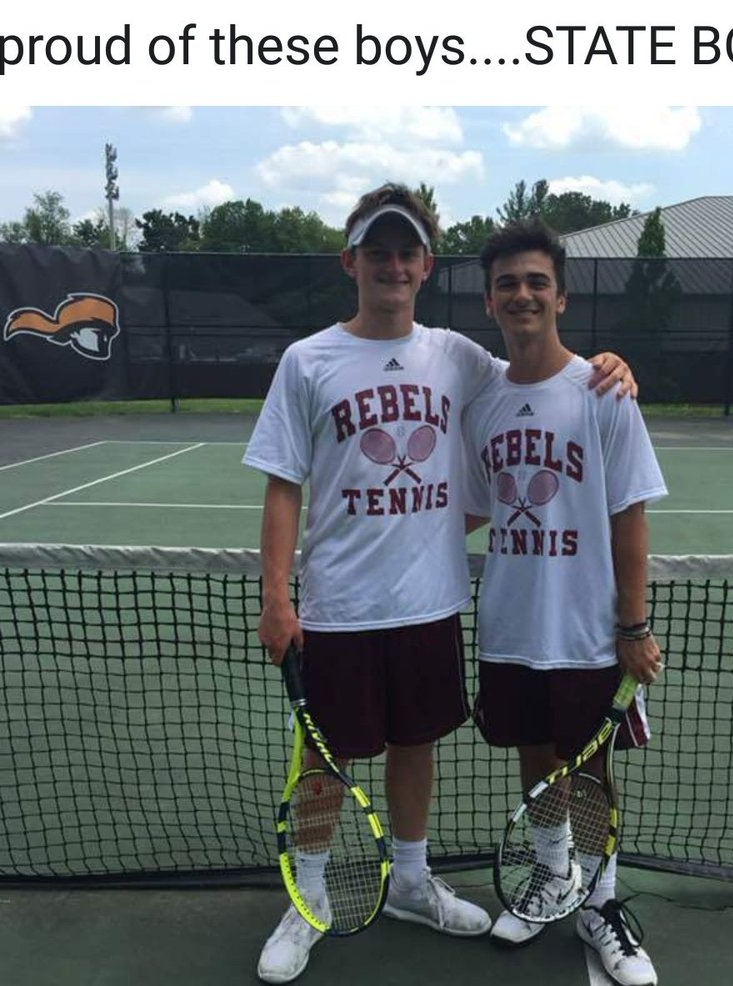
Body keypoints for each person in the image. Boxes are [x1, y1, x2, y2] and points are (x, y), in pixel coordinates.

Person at [242, 184, 637, 984]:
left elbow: (540, 370)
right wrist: (276, 597)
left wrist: (609, 363)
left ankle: (413, 883)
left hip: (429, 605)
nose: (392, 265)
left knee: (413, 747)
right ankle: (309, 896)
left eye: (406, 252)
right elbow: (283, 483)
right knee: (325, 761)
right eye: (376, 251)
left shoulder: (459, 357)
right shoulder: (306, 361)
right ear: (350, 261)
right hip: (336, 607)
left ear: (425, 265)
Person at [461, 219, 667, 986]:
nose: (522, 294)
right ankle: (552, 876)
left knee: (590, 768)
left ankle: (602, 902)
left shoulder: (605, 392)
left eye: (536, 282)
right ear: (490, 301)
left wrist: (632, 625)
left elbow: (631, 514)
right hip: (510, 623)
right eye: (509, 283)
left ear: (561, 297)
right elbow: (475, 507)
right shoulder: (481, 402)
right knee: (536, 760)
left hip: (585, 627)